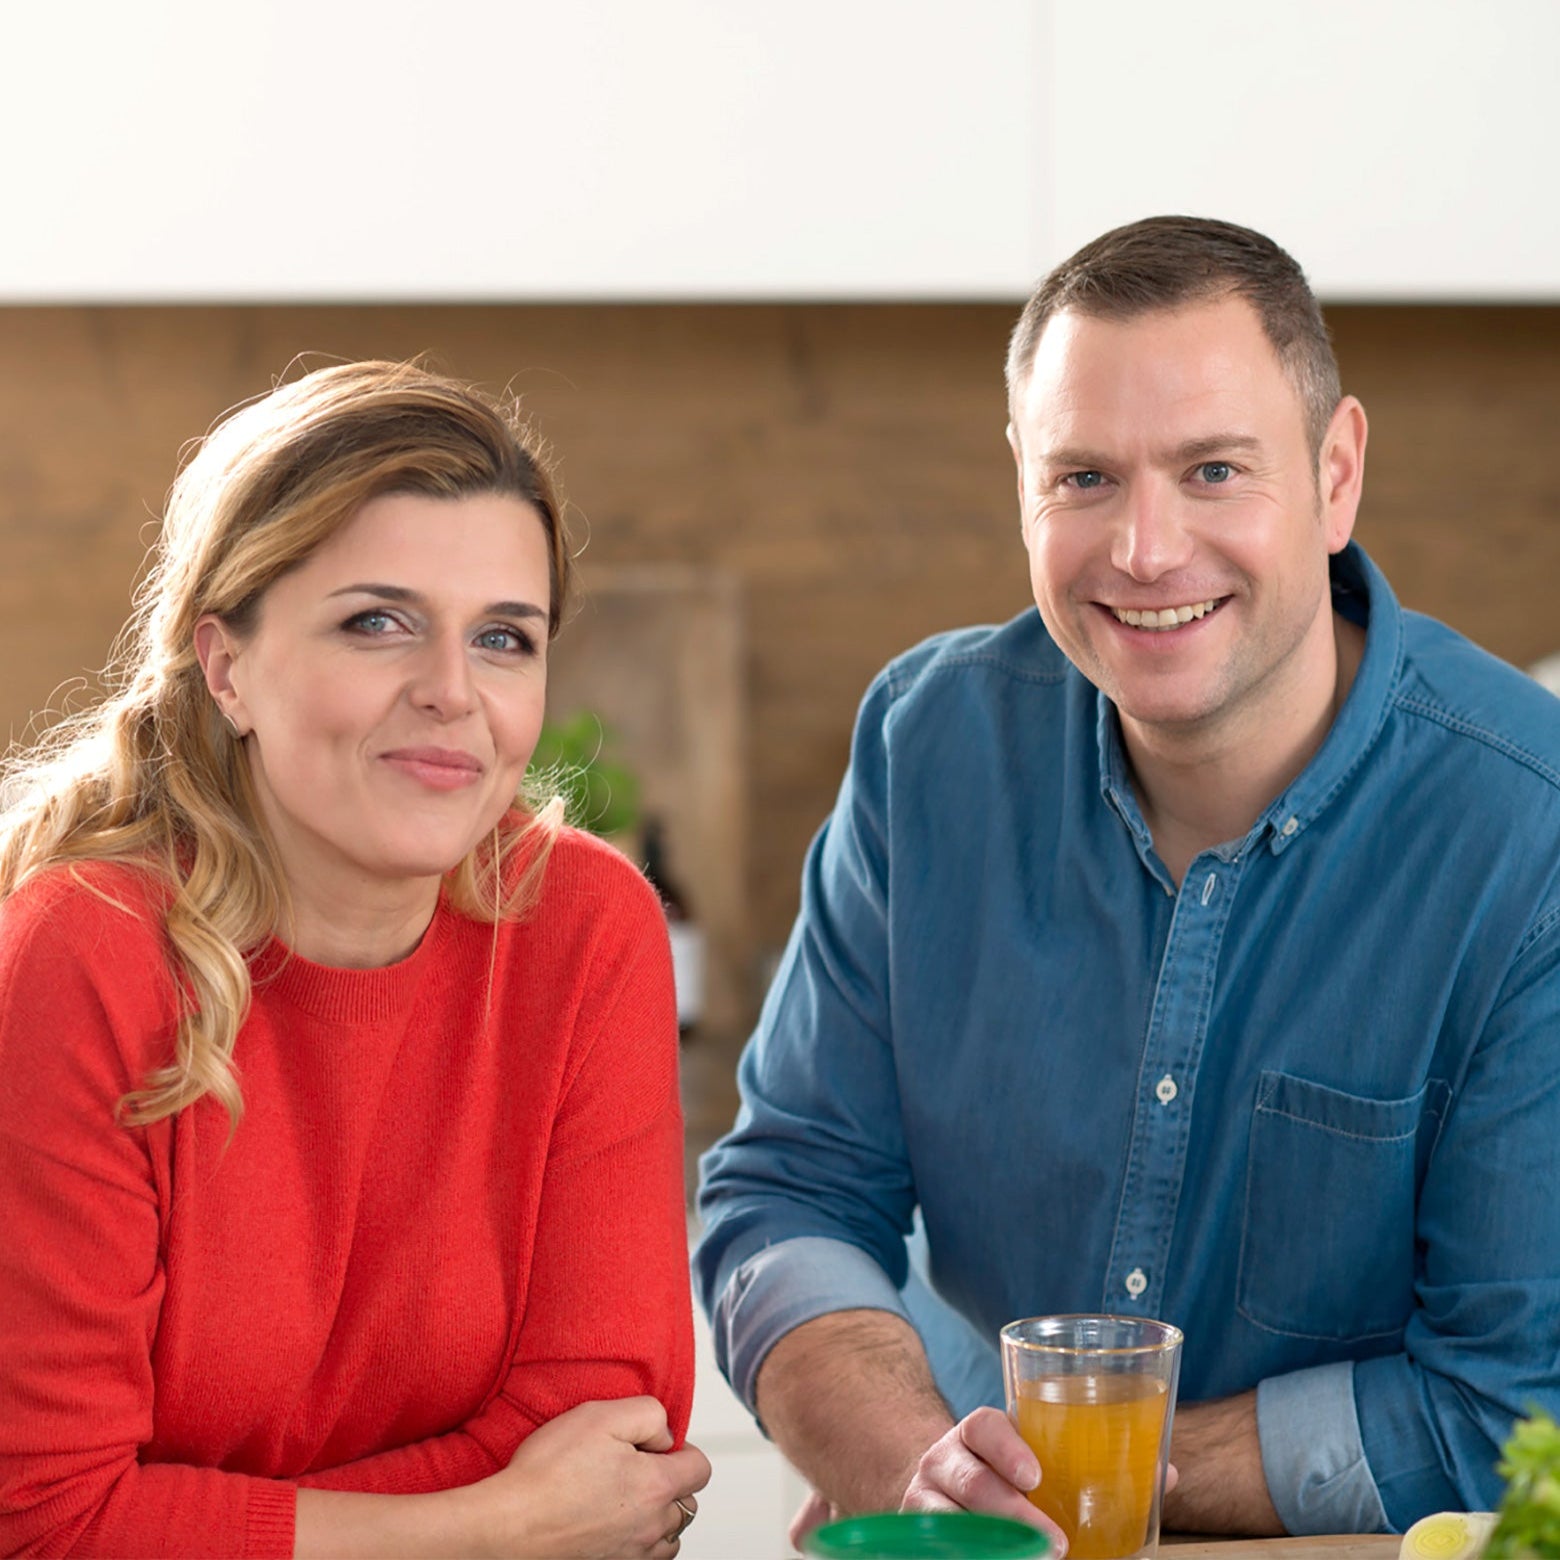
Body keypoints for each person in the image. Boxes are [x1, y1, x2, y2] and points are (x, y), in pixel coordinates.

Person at [694, 216, 1560, 1547]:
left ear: (1336, 476)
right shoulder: (929, 747)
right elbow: (789, 1193)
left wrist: (1052, 1485)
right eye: (1085, 478)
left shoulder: (1528, 833)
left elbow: (1509, 1407)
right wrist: (908, 1463)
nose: (1146, 550)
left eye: (1214, 471)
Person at [0, 360, 710, 1558]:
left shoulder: (588, 929)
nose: (451, 694)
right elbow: (52, 1518)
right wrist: (504, 1524)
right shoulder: (84, 955)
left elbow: (613, 1436)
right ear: (226, 667)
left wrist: (206, 1515)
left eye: (503, 639)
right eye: (377, 622)